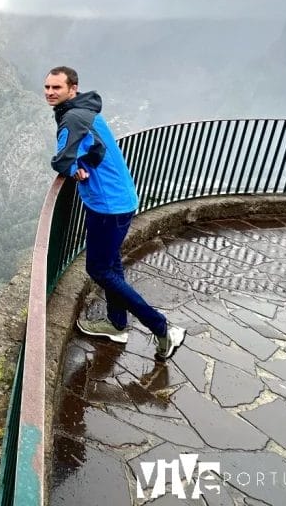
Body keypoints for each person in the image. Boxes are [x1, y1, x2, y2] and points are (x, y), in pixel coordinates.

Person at [44, 66, 185, 360]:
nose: (49, 93)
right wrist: (79, 167)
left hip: (106, 207)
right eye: (47, 87)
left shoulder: (71, 118)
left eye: (56, 88)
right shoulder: (87, 110)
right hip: (122, 200)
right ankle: (116, 323)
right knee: (110, 266)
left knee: (98, 269)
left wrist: (71, 169)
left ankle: (160, 328)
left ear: (73, 88)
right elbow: (95, 151)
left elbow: (60, 161)